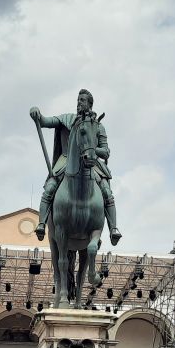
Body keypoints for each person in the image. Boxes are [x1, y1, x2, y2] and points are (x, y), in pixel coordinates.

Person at [29, 89, 121, 245]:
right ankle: (42, 224)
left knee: (106, 190)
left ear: (90, 104)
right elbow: (46, 122)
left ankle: (113, 228)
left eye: (83, 100)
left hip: (90, 161)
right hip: (66, 159)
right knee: (50, 186)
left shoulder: (98, 126)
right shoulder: (67, 119)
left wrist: (91, 150)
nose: (79, 103)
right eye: (78, 100)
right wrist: (37, 114)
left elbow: (105, 151)